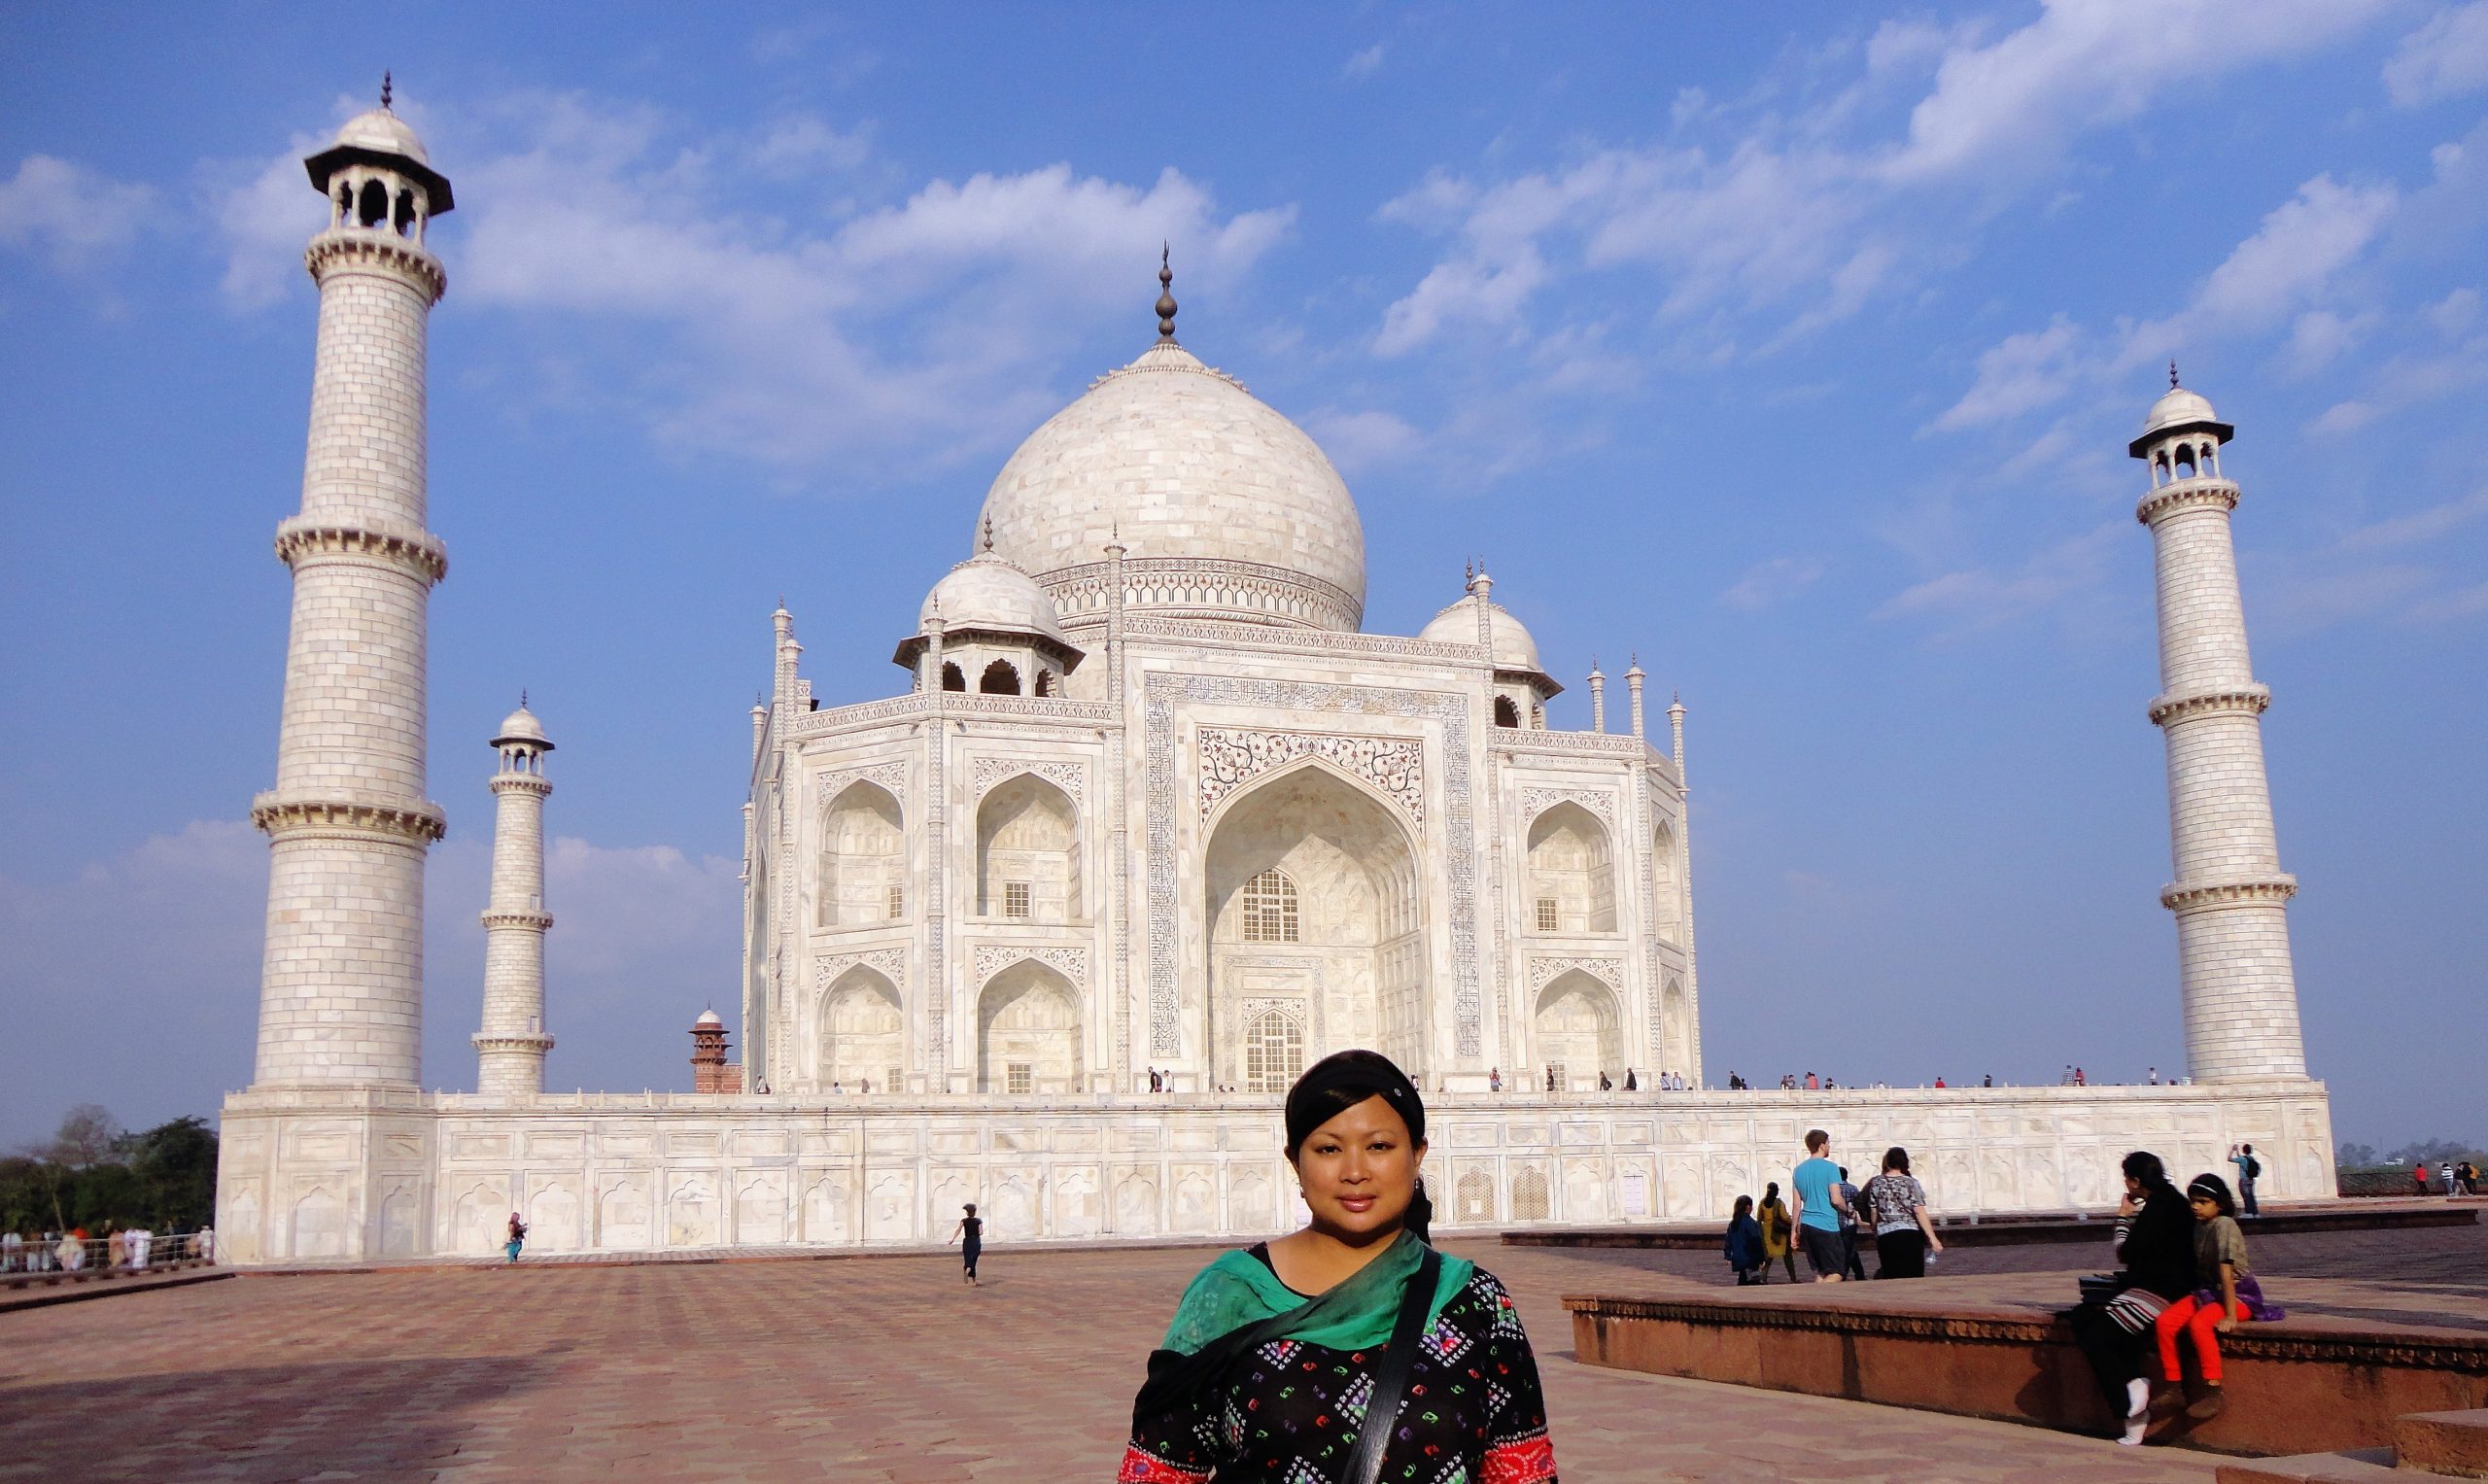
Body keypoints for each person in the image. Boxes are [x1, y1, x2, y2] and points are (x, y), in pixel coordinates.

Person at [1120, 1050, 1558, 1483]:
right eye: (1328, 1149)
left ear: (1417, 1153)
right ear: (1295, 1161)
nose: (1354, 1171)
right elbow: (1160, 1470)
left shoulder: (1474, 1301)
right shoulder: (1230, 1296)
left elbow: (1520, 1469)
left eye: (1379, 1146)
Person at [2068, 1152, 2195, 1447]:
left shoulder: (2159, 1209)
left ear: (2136, 1181)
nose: (2125, 1184)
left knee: (2098, 1339)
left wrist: (2123, 1217)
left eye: (2127, 1178)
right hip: (2153, 1286)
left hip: (2163, 1292)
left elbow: (2124, 1252)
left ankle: (2129, 1404)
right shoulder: (2170, 1201)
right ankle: (2134, 1409)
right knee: (2084, 1319)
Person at [2151, 1173, 2281, 1424]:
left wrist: (2231, 1315)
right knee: (2165, 1322)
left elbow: (2227, 1271)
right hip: (2209, 1293)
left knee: (2200, 1325)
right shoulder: (2200, 1227)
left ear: (2219, 1204)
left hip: (2240, 1295)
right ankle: (2174, 1388)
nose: (2195, 1207)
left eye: (2202, 1202)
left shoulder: (2224, 1225)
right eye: (2193, 1201)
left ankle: (2213, 1390)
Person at [1862, 1147, 1942, 1278]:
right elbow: (1919, 1211)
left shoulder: (1876, 1183)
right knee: (1913, 1274)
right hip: (1909, 1234)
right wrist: (1932, 1238)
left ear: (1888, 1162)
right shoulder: (1911, 1182)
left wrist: (1875, 1229)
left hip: (1886, 1234)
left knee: (1891, 1274)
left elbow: (1874, 1210)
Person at [1789, 1130, 1848, 1282]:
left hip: (1807, 1225)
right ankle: (1811, 1301)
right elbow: (1836, 1199)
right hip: (1826, 1225)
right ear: (1822, 1145)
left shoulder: (1798, 1170)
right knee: (1837, 1272)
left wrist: (1794, 1232)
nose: (1829, 1146)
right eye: (1828, 1143)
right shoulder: (1831, 1168)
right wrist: (1849, 1210)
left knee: (1822, 1272)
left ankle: (1816, 1303)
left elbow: (1796, 1205)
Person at [1755, 1182, 1797, 1284]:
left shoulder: (1763, 1202)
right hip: (1779, 1232)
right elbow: (1785, 1216)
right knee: (1787, 1256)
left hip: (1767, 1232)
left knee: (1768, 1257)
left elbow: (1759, 1218)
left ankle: (1763, 1278)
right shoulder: (1779, 1203)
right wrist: (1794, 1222)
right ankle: (1793, 1278)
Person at [1835, 1166, 1868, 1281]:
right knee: (1849, 1248)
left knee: (1845, 1249)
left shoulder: (1832, 1190)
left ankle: (1843, 1274)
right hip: (1850, 1223)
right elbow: (1860, 1203)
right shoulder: (1852, 1189)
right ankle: (1858, 1273)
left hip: (1835, 1223)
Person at [1723, 1195, 1766, 1286]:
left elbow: (1728, 1241)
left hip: (1738, 1258)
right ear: (1748, 1207)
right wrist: (1761, 1258)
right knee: (1751, 1281)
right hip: (1750, 1258)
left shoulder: (1734, 1223)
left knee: (1743, 1279)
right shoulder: (1750, 1223)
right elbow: (1756, 1241)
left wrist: (1728, 1256)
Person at [949, 1203, 983, 1287]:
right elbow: (981, 1232)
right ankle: (972, 1276)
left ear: (967, 1212)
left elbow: (958, 1230)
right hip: (975, 1241)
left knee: (967, 1258)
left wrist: (953, 1239)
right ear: (974, 1212)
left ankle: (969, 1272)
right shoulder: (978, 1221)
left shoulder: (963, 1221)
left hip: (967, 1241)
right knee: (973, 1260)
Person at [2229, 1143, 2261, 1218]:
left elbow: (2229, 1159)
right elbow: (2241, 1159)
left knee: (2246, 1196)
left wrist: (2232, 1150)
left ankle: (2248, 1212)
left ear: (2244, 1150)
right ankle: (2255, 1213)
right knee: (2252, 1196)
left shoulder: (2243, 1159)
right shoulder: (2251, 1159)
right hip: (2251, 1179)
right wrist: (2237, 1152)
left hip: (2244, 1180)